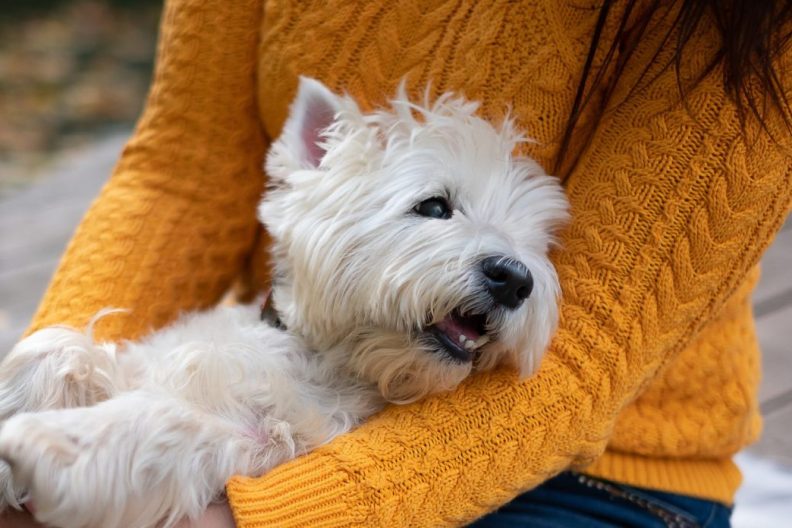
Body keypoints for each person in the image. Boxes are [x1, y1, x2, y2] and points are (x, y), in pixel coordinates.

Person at [5, 0, 791, 526]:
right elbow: (182, 170)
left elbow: (575, 371)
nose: (513, 268)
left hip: (601, 465)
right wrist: (56, 381)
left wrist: (244, 512)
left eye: (532, 252)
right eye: (436, 210)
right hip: (293, 349)